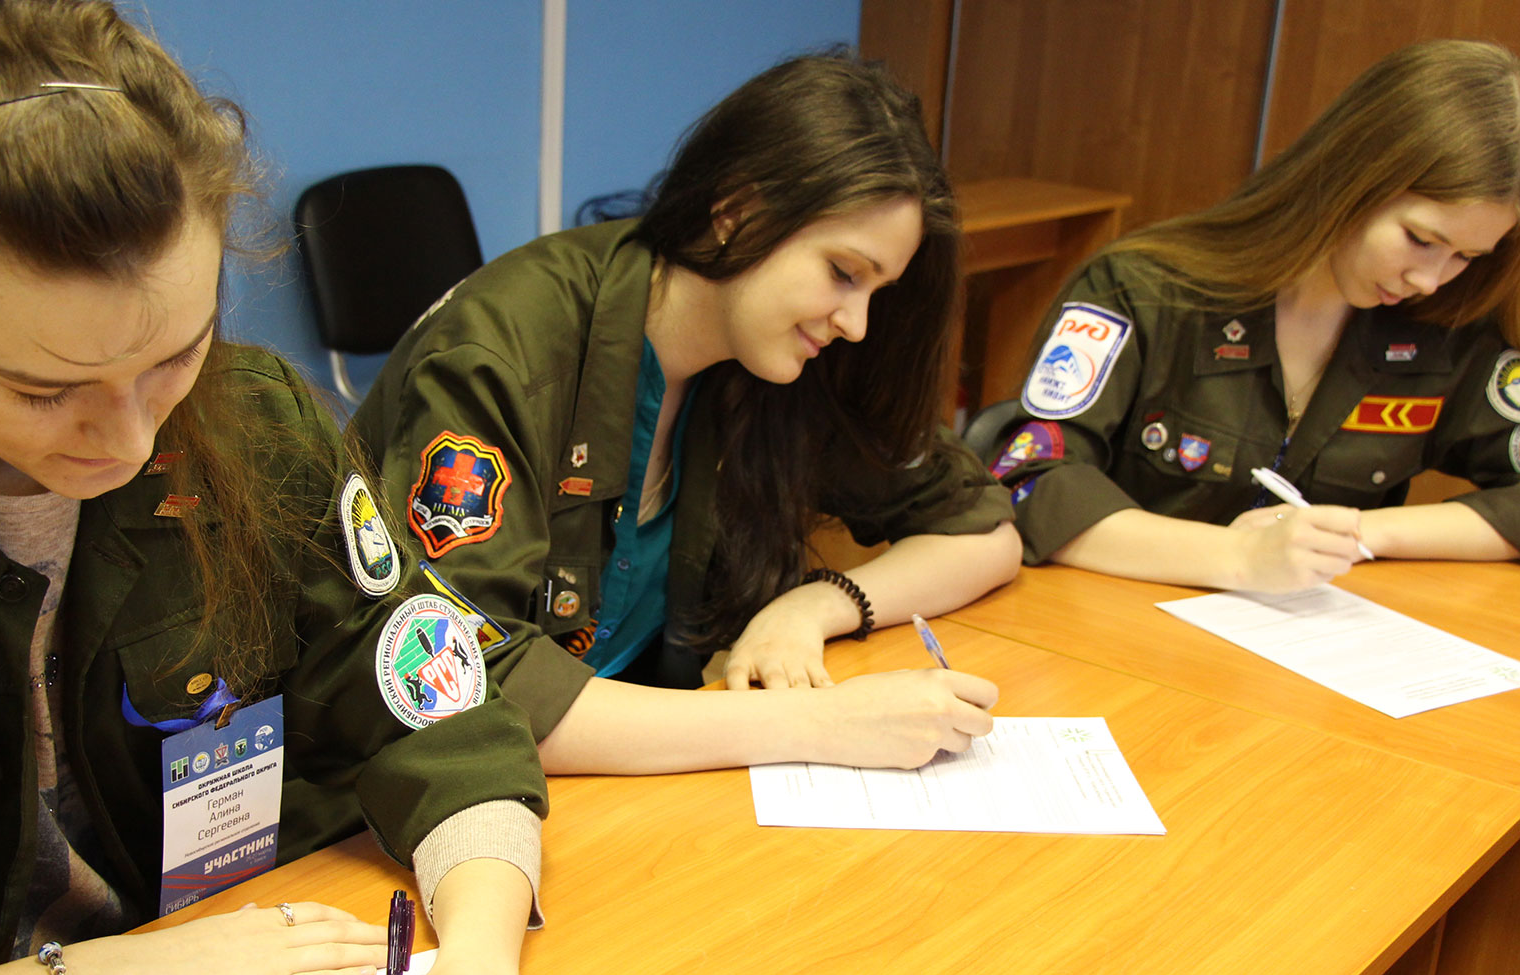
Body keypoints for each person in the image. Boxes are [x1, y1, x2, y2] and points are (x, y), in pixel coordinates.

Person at [0, 4, 545, 975]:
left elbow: (441, 708)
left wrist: (479, 965)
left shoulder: (253, 426)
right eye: (45, 390)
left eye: (176, 355)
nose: (132, 440)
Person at [351, 54, 1020, 775]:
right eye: (843, 273)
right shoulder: (501, 352)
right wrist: (818, 724)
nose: (856, 323)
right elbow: (456, 697)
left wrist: (814, 606)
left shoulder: (774, 358)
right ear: (736, 213)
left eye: (875, 292)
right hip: (408, 796)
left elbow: (985, 532)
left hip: (620, 778)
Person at [984, 40, 1520, 593]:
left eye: (1467, 257)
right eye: (1420, 239)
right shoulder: (1141, 292)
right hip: (1110, 631)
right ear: (1354, 177)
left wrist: (1355, 532)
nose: (1430, 279)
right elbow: (1030, 479)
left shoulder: (1447, 330)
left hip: (1303, 655)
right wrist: (1238, 557)